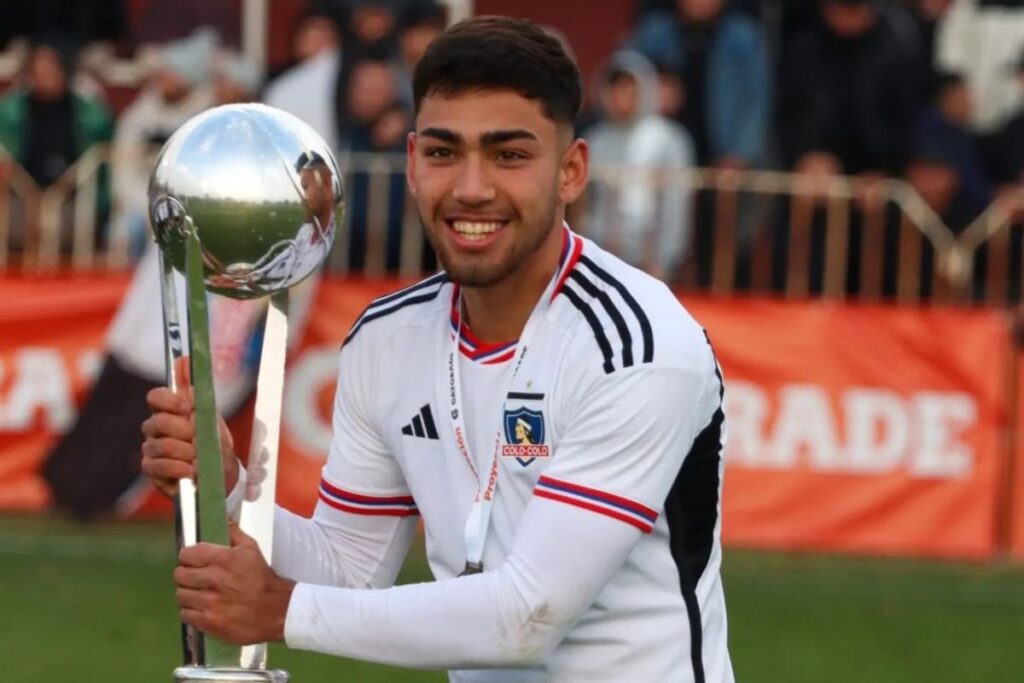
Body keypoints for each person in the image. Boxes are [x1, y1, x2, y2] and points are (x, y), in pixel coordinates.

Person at [141, 17, 733, 683]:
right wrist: (227, 488)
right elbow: (347, 567)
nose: (471, 188)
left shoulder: (638, 343)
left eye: (509, 155)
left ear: (572, 171)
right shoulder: (388, 337)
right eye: (445, 153)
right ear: (414, 162)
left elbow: (528, 614)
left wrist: (282, 610)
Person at [584, 49, 695, 281]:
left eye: (630, 88)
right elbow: (586, 202)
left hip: (651, 257)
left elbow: (677, 201)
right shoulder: (596, 139)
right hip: (603, 254)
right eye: (616, 88)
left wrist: (665, 257)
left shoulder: (667, 138)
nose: (622, 96)